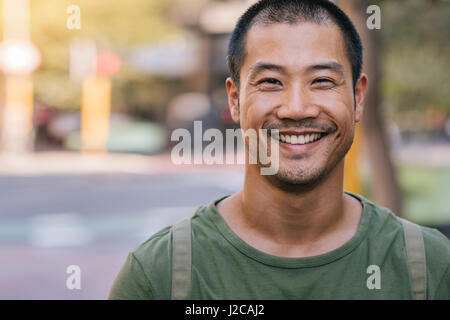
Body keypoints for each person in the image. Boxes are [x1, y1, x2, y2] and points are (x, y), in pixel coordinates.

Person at [109, 0, 450, 299]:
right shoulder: (160, 276)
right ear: (235, 100)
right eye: (271, 82)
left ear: (358, 97)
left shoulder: (429, 269)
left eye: (322, 81)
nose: (297, 108)